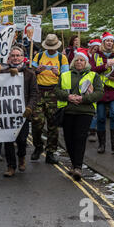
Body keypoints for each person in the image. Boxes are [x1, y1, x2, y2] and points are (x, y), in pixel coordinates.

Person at [55, 48, 104, 180]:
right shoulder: (65, 75)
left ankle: (78, 167)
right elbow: (57, 91)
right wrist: (69, 97)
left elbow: (99, 93)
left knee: (80, 138)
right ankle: (73, 163)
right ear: (73, 62)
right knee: (68, 140)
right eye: (77, 60)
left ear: (86, 63)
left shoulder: (94, 75)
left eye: (82, 60)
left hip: (85, 111)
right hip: (68, 110)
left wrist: (83, 99)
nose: (79, 62)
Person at [30, 34, 69, 164]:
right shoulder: (39, 55)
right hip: (39, 91)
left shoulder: (61, 58)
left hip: (54, 92)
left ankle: (50, 152)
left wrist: (59, 74)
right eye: (49, 47)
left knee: (53, 124)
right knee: (36, 122)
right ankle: (38, 146)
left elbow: (67, 76)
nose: (51, 49)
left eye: (53, 47)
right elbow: (31, 72)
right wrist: (37, 71)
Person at [1, 47, 39, 176]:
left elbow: (34, 93)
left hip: (23, 113)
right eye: (13, 55)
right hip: (7, 113)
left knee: (22, 140)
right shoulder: (3, 73)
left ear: (23, 57)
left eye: (18, 55)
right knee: (8, 140)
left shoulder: (30, 73)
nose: (16, 58)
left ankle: (21, 157)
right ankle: (11, 166)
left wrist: (30, 108)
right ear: (9, 58)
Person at [86, 39, 102, 143]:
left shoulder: (100, 58)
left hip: (98, 85)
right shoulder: (85, 57)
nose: (95, 51)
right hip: (87, 84)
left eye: (98, 49)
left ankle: (93, 131)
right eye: (94, 49)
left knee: (95, 110)